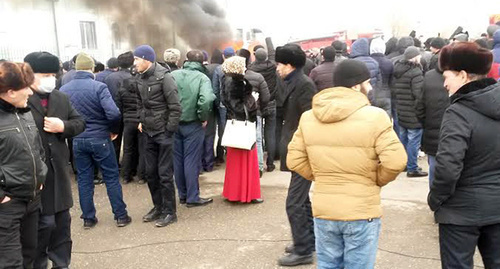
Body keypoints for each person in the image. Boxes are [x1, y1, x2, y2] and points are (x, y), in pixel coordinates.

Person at [287, 59, 407, 269]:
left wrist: (322, 176)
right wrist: (376, 178)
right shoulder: (376, 117)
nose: (370, 88)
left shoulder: (309, 117)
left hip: (325, 210)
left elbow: (294, 160)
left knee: (328, 265)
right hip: (361, 210)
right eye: (367, 83)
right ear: (355, 86)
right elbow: (396, 161)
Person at [428, 42, 500, 269]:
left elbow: (448, 166)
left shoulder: (458, 112)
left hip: (459, 213)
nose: (445, 83)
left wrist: (436, 199)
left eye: (447, 76)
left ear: (463, 75)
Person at [24, 52, 86, 269]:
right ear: (29, 74)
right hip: (34, 179)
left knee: (62, 226)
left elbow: (79, 122)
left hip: (59, 174)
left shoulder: (61, 98)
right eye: (44, 74)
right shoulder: (20, 100)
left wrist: (64, 127)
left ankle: (61, 264)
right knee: (41, 228)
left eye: (53, 74)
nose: (50, 79)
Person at [60, 52, 131, 228]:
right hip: (100, 137)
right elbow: (113, 113)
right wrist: (113, 130)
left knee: (84, 179)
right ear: (92, 68)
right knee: (111, 176)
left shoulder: (64, 90)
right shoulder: (99, 87)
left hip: (78, 139)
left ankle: (88, 218)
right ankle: (120, 216)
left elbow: (61, 116)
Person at [0, 61, 47, 268]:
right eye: (25, 87)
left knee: (31, 256)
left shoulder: (25, 113)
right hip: (7, 206)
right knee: (11, 263)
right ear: (10, 92)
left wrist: (41, 176)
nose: (30, 92)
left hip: (32, 199)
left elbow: (38, 149)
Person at [275, 43, 317, 267]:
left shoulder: (304, 84)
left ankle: (303, 250)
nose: (277, 68)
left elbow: (311, 121)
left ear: (289, 65)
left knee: (294, 203)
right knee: (302, 200)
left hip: (304, 152)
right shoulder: (292, 81)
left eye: (279, 64)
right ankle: (309, 240)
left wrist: (303, 150)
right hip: (296, 148)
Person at [134, 45, 182, 227]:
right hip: (147, 132)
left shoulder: (165, 77)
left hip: (163, 133)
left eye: (137, 59)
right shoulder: (139, 77)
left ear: (147, 59)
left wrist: (169, 130)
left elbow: (175, 107)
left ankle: (170, 212)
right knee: (150, 173)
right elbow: (139, 102)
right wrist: (141, 119)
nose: (135, 62)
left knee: (164, 174)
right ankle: (158, 207)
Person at [171, 50, 215, 208]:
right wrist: (203, 117)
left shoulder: (173, 75)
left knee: (177, 160)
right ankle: (192, 197)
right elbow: (207, 99)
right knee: (191, 159)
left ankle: (182, 195)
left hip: (174, 123)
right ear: (202, 62)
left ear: (185, 60)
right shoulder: (202, 78)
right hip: (193, 124)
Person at [220, 56, 262, 203]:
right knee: (247, 159)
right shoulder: (236, 81)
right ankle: (247, 194)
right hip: (243, 124)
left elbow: (229, 102)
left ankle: (234, 193)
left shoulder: (228, 80)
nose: (245, 67)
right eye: (243, 65)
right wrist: (253, 101)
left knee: (235, 163)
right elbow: (238, 106)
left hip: (234, 124)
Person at [392, 46, 428, 177]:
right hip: (413, 112)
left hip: (401, 110)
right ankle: (412, 168)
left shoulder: (397, 70)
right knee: (414, 140)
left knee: (403, 138)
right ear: (415, 57)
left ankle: (404, 164)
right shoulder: (416, 72)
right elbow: (418, 94)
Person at [113, 51, 146, 184]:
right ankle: (142, 176)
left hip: (127, 121)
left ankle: (126, 176)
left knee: (127, 149)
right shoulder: (143, 87)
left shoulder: (122, 89)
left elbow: (118, 106)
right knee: (143, 149)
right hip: (140, 121)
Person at [415, 65, 450, 187]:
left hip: (432, 129)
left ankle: (434, 199)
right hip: (454, 129)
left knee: (434, 167)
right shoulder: (462, 77)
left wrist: (426, 123)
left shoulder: (429, 76)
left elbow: (419, 106)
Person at [238, 48, 270, 177]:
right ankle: (258, 167)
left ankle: (241, 169)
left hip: (237, 115)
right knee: (256, 140)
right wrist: (258, 106)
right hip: (254, 112)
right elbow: (266, 97)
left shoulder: (230, 77)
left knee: (238, 141)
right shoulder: (257, 77)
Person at [249, 48, 278, 172]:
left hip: (257, 105)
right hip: (271, 103)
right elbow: (272, 54)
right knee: (270, 134)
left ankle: (258, 164)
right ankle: (270, 163)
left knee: (258, 136)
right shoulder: (272, 67)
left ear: (255, 56)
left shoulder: (251, 69)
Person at [213, 47, 236, 164]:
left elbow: (215, 89)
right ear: (234, 55)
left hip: (222, 103)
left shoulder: (219, 69)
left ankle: (220, 155)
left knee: (223, 129)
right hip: (236, 104)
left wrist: (217, 103)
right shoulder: (238, 67)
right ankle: (233, 154)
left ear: (223, 56)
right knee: (235, 127)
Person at [370, 38, 393, 117]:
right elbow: (391, 81)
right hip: (385, 94)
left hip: (371, 94)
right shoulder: (389, 62)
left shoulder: (369, 62)